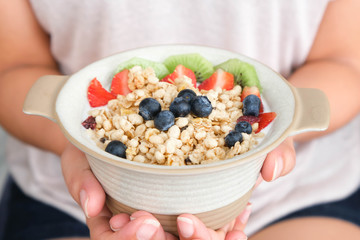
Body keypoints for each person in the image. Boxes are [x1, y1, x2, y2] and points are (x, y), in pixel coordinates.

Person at [0, 0, 359, 239]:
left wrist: (287, 130)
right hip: (66, 197)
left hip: (295, 193)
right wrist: (70, 141)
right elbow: (13, 67)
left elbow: (344, 61)